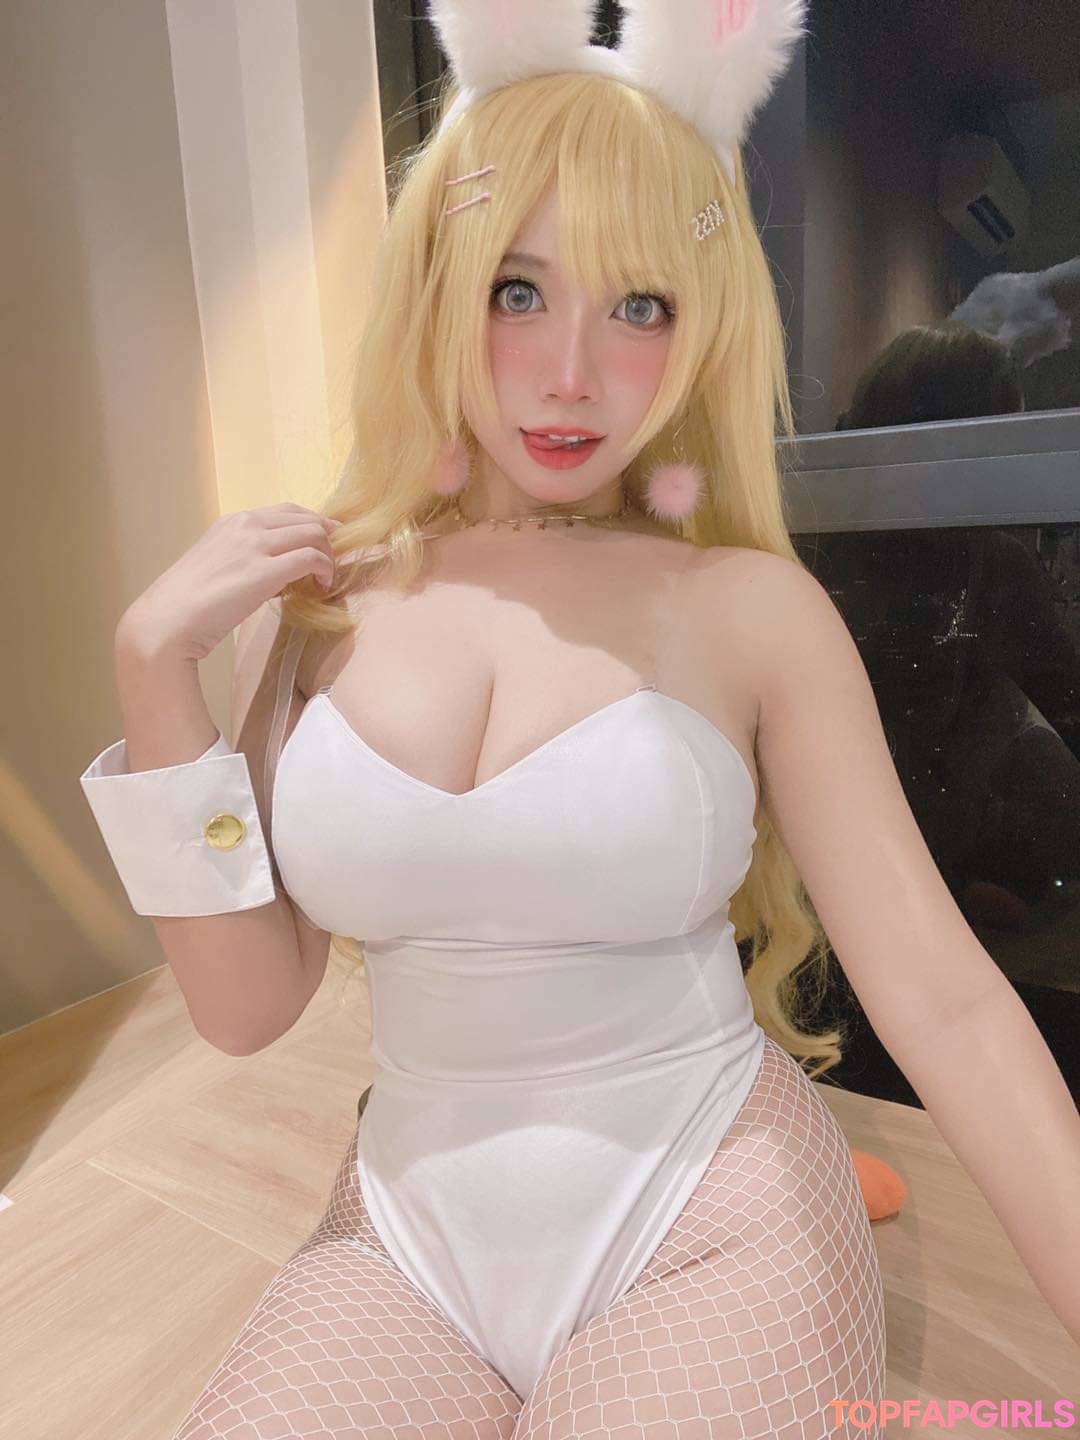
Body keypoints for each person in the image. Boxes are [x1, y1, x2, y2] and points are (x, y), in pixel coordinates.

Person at [78, 2, 1080, 1435]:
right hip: (404, 1236)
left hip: (713, 1215)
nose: (571, 372)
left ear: (700, 326)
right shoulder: (322, 607)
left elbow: (948, 1001)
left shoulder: (751, 609)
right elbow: (245, 1009)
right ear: (440, 284)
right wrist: (153, 674)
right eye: (518, 290)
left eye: (640, 307)